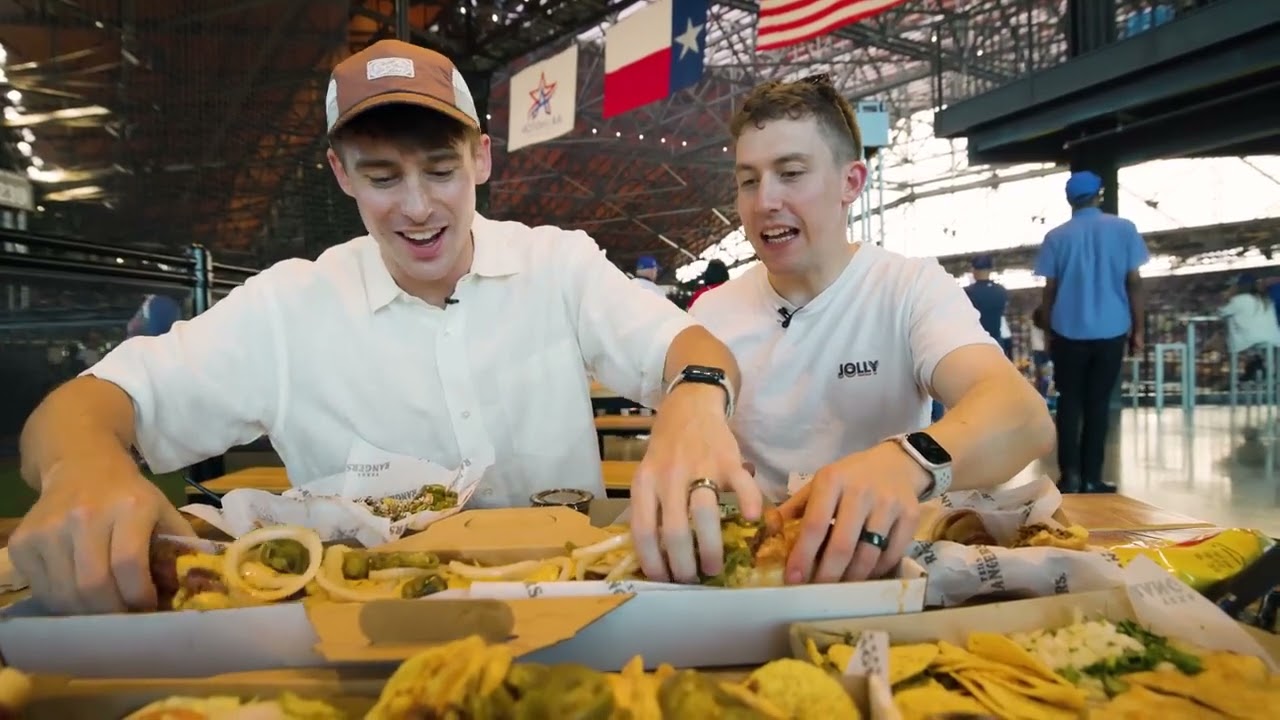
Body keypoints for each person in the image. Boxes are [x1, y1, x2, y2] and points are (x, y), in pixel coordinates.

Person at [11, 40, 760, 615]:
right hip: (358, 639)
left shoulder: (556, 266)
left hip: (577, 614)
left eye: (440, 170)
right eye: (381, 177)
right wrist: (84, 468)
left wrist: (694, 400)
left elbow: (690, 349)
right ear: (341, 174)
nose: (417, 207)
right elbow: (80, 408)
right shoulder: (289, 308)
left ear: (481, 158)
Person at [689, 74, 1054, 586]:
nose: (764, 200)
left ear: (851, 183)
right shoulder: (711, 316)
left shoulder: (908, 287)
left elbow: (1023, 418)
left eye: (790, 173)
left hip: (885, 568)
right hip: (759, 572)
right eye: (748, 180)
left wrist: (907, 463)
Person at [1034, 170, 1148, 494]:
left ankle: (1068, 476)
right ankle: (1092, 478)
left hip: (1067, 331)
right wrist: (1138, 330)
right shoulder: (1124, 229)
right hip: (1111, 330)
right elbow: (1134, 283)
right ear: (1099, 194)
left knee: (1069, 403)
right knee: (1099, 405)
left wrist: (1049, 329)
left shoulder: (1056, 237)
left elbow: (1049, 289)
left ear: (1070, 200)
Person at [1219, 273, 1280, 383]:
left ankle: (1239, 375)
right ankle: (1255, 364)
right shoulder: (1266, 299)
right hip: (1274, 338)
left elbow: (1221, 311)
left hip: (1249, 340)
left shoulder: (1239, 300)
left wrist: (1228, 296)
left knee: (1222, 341)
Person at [964, 255, 1008, 348]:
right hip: (996, 341)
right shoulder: (1001, 291)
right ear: (990, 270)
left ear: (973, 270)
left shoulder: (967, 293)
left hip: (975, 342)